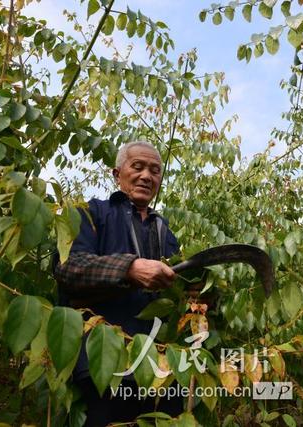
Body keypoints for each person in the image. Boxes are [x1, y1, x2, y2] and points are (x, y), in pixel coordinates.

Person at [53, 141, 182, 426]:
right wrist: (129, 268)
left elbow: (175, 298)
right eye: (138, 166)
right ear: (117, 173)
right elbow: (68, 268)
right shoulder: (90, 213)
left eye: (155, 170)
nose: (147, 176)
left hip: (160, 367)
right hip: (104, 364)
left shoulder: (166, 233)